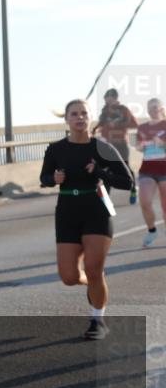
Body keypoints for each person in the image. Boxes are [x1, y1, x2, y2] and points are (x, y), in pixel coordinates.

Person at [40, 99, 134, 340]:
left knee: (94, 269)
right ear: (67, 119)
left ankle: (97, 320)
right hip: (67, 212)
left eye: (84, 113)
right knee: (69, 277)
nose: (79, 118)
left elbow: (127, 181)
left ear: (90, 117)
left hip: (96, 209)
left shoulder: (102, 148)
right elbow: (44, 177)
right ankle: (94, 282)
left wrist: (100, 172)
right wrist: (54, 178)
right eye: (74, 114)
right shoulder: (56, 149)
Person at [136, 97, 166, 248]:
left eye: (155, 107)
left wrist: (163, 144)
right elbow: (139, 146)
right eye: (150, 107)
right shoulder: (142, 128)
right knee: (145, 202)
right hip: (147, 169)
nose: (152, 110)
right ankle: (152, 230)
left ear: (161, 108)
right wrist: (140, 147)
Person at [93, 88, 138, 163]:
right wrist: (94, 130)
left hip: (121, 143)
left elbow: (135, 124)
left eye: (109, 99)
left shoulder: (124, 110)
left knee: (124, 168)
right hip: (107, 144)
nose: (106, 101)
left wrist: (117, 124)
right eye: (105, 99)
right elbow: (101, 123)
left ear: (115, 98)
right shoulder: (104, 110)